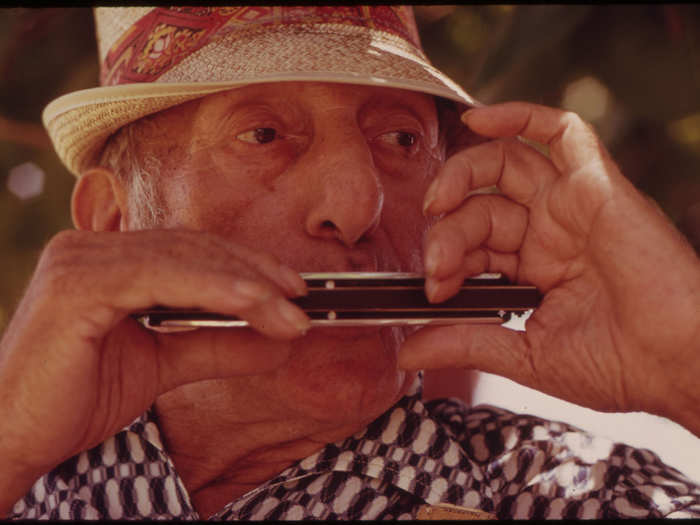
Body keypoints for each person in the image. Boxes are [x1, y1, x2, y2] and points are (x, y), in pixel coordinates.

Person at [2, 5, 699, 520]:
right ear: (113, 222)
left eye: (400, 138)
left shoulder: (577, 495)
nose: (358, 200)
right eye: (264, 133)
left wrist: (688, 366)